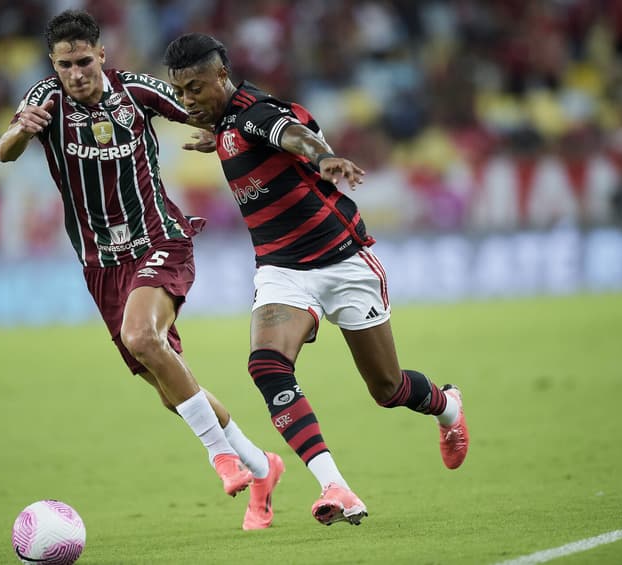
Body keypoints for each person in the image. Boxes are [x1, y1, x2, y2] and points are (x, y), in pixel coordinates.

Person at [163, 33, 470, 527]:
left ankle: (448, 408)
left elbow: (292, 134)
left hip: (343, 261)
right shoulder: (227, 124)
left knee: (388, 389)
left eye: (196, 87)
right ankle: (336, 486)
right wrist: (218, 136)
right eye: (180, 92)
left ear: (223, 76)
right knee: (266, 367)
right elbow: (253, 138)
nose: (188, 100)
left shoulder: (256, 114)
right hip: (283, 271)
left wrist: (322, 156)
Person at [0, 10, 282, 531]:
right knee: (168, 386)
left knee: (141, 337)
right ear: (53, 66)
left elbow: (208, 107)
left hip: (159, 240)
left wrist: (242, 128)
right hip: (99, 264)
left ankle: (221, 457)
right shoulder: (43, 101)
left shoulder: (136, 91)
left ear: (102, 55)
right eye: (66, 64)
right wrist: (21, 132)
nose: (77, 72)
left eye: (85, 60)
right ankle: (262, 467)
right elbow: (5, 151)